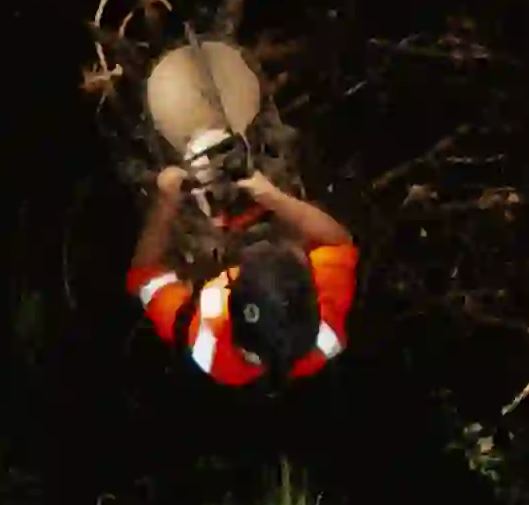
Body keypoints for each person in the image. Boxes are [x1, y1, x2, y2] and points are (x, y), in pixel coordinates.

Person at [130, 158, 358, 387]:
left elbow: (143, 274)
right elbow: (338, 240)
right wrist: (274, 197)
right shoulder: (327, 329)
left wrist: (166, 200)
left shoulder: (203, 333)